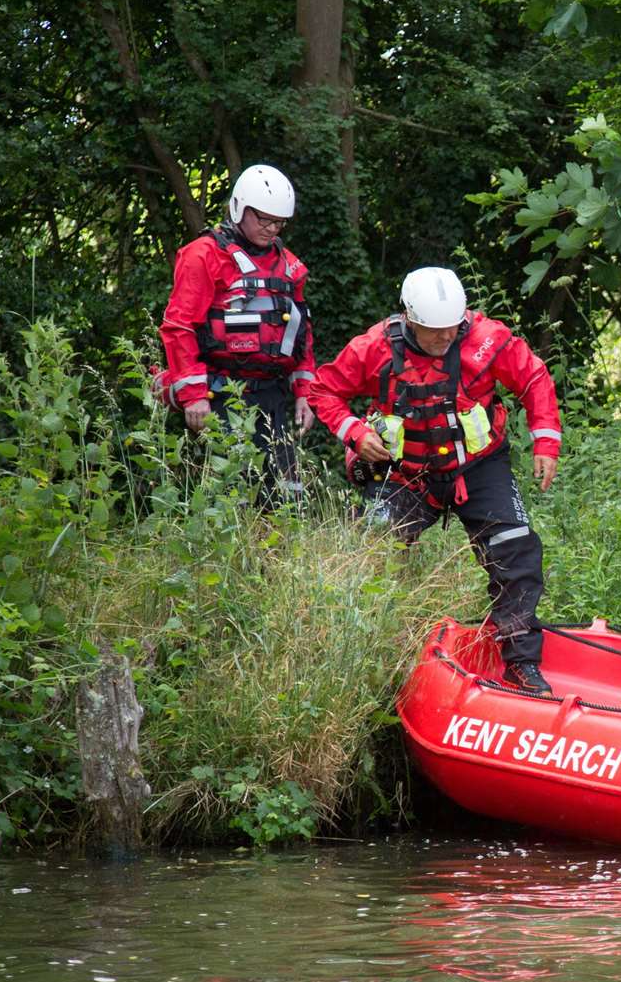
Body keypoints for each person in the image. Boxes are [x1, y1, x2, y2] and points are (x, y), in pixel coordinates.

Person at [309, 266, 561, 693]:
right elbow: (323, 390)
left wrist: (546, 442)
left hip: (478, 467)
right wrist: (354, 432)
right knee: (372, 549)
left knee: (515, 548)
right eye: (434, 332)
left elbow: (534, 377)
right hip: (404, 473)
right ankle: (360, 651)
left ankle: (521, 661)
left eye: (452, 329)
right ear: (409, 320)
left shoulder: (487, 339)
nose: (446, 338)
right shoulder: (373, 348)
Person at [157, 163, 315, 504]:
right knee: (232, 498)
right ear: (240, 208)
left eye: (280, 222)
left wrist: (304, 392)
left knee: (285, 499)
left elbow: (301, 334)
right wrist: (194, 394)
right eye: (264, 219)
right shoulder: (204, 255)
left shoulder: (290, 267)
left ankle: (277, 558)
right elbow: (179, 326)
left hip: (271, 397)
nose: (272, 229)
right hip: (221, 393)